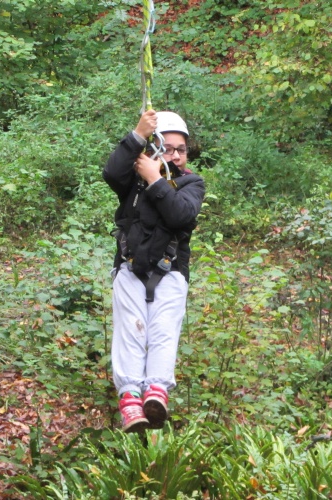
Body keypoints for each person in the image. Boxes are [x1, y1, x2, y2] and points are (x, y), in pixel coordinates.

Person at [103, 109, 205, 432]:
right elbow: (111, 173)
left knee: (163, 331)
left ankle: (156, 393)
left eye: (181, 150)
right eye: (168, 148)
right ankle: (130, 399)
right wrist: (138, 135)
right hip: (131, 269)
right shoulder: (132, 182)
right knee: (131, 332)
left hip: (170, 271)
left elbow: (180, 215)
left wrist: (155, 179)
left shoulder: (191, 183)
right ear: (154, 149)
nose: (175, 156)